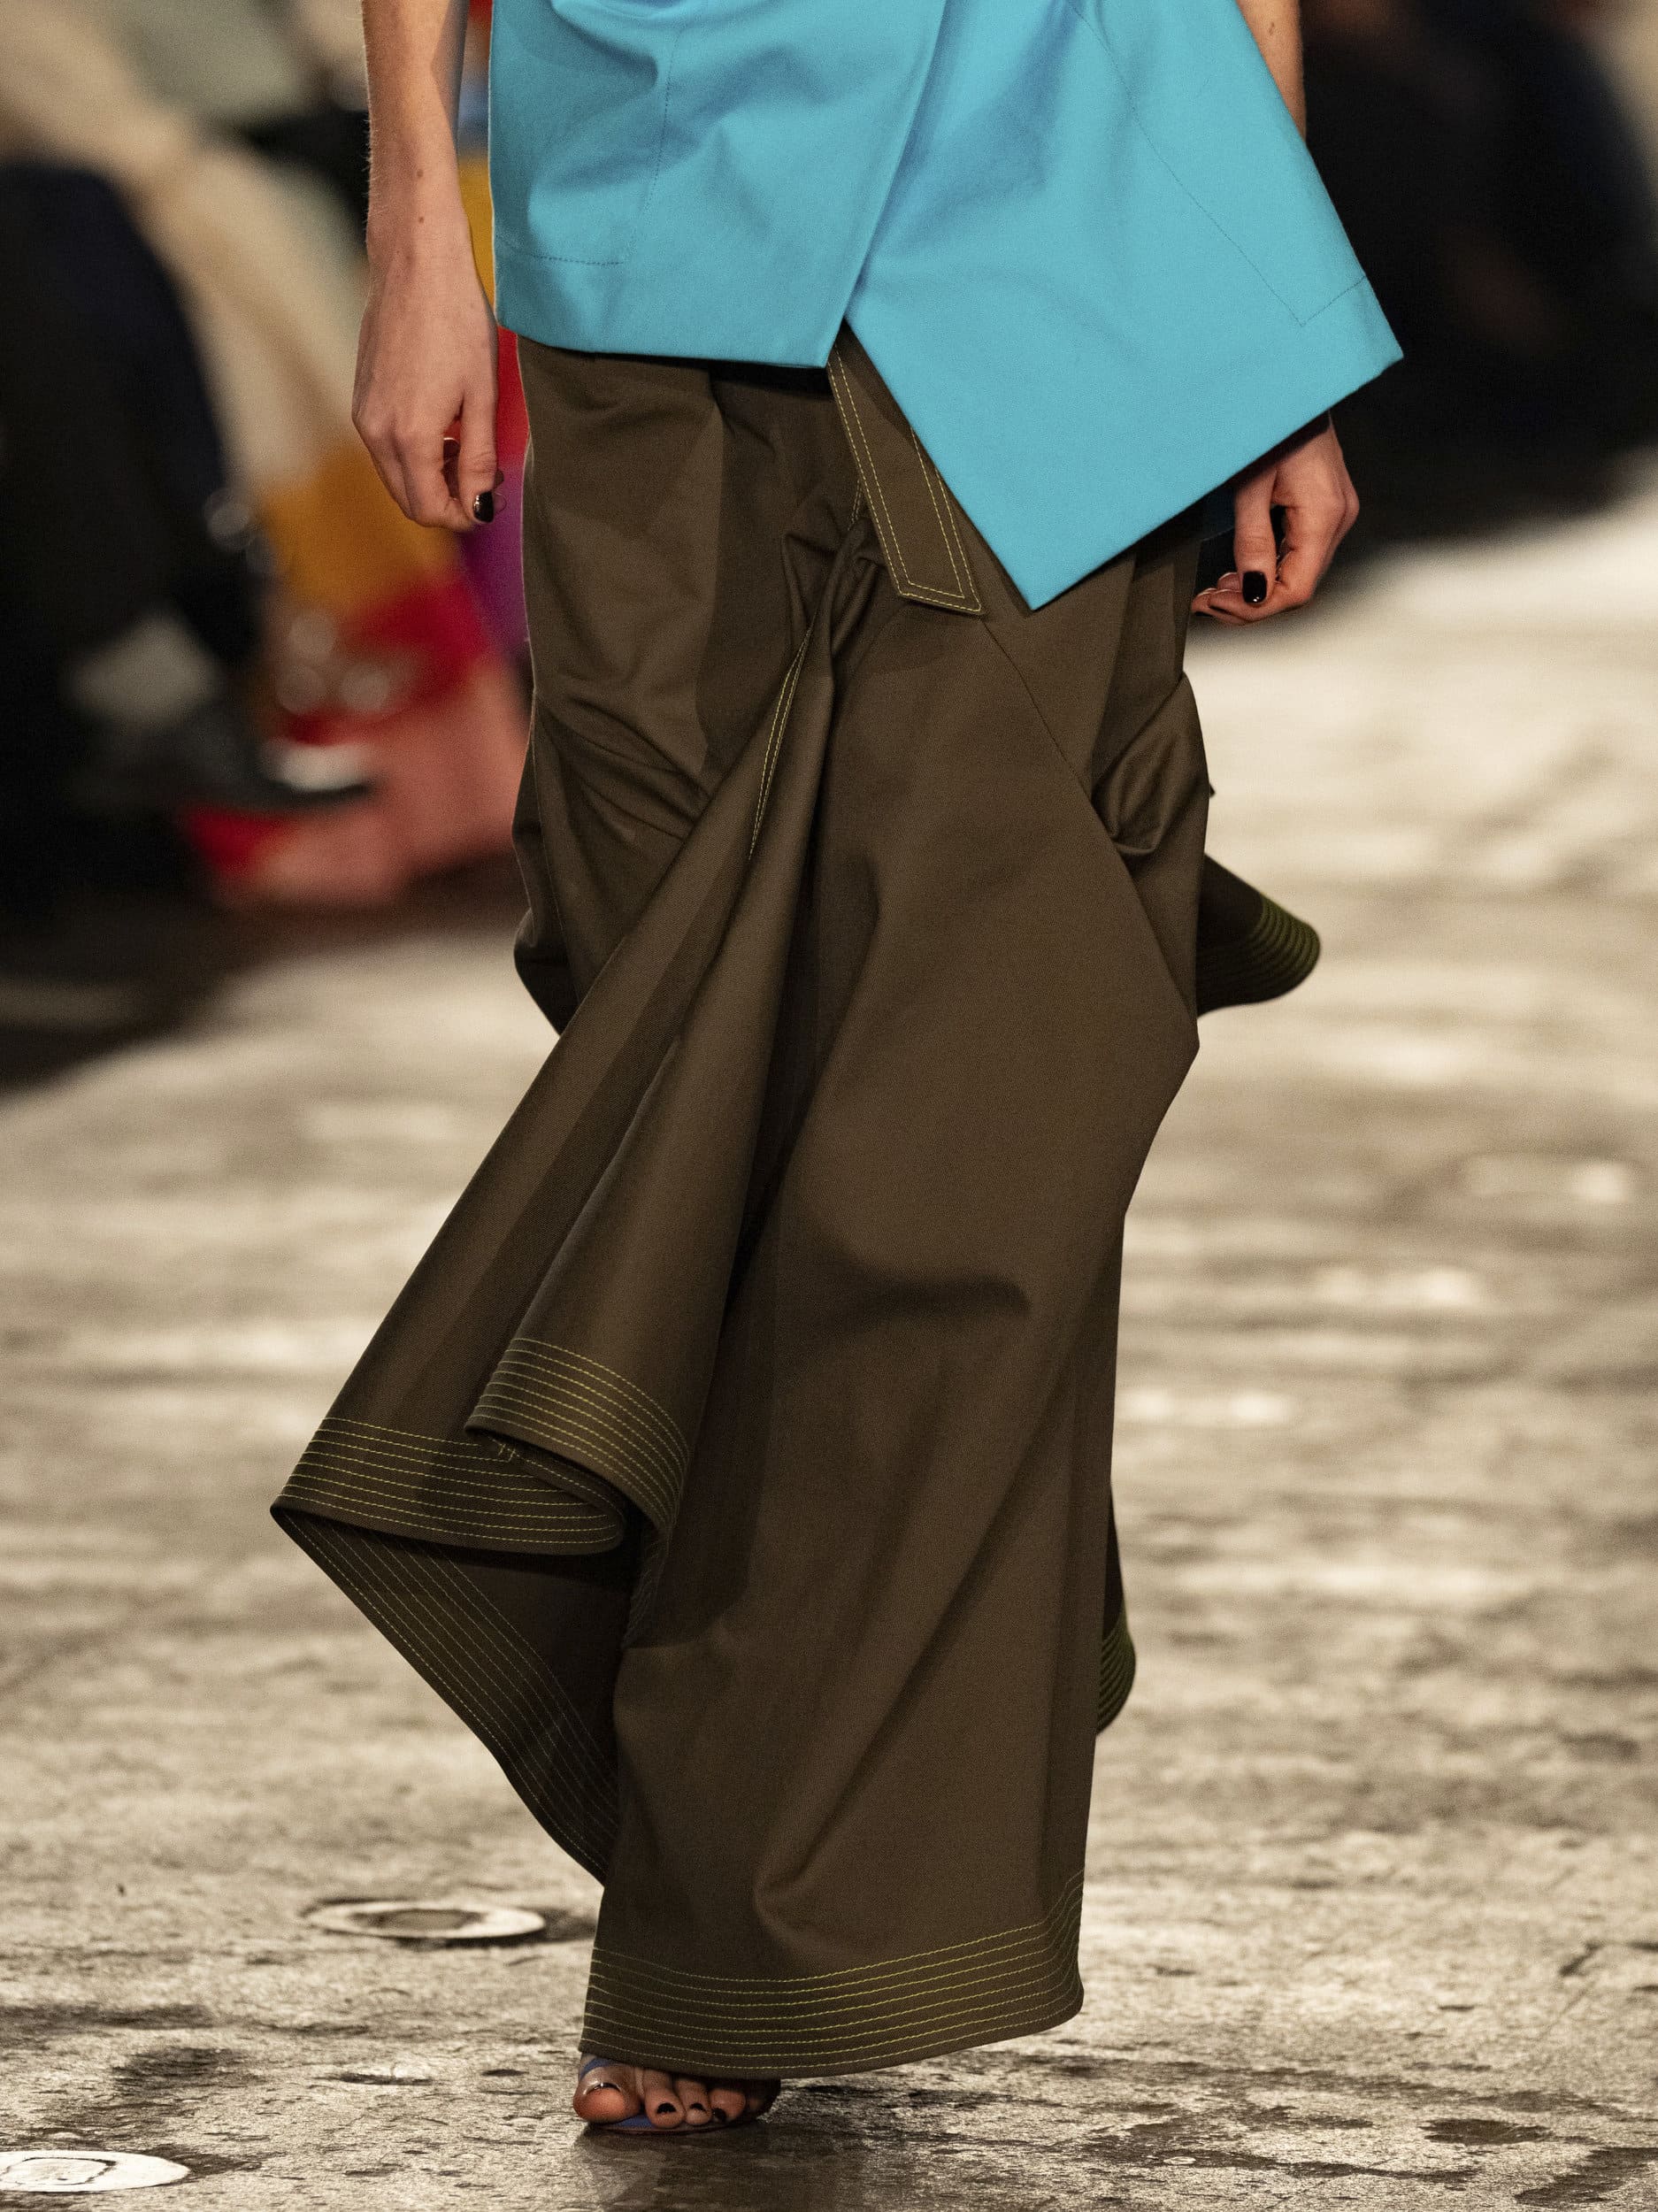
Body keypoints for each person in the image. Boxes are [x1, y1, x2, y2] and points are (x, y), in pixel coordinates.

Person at [272, 0, 1400, 2138]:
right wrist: (421, 220)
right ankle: (886, 1703)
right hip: (647, 219)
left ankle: (745, 1913)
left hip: (1072, 212)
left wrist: (1271, 325)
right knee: (681, 1044)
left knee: (946, 1104)